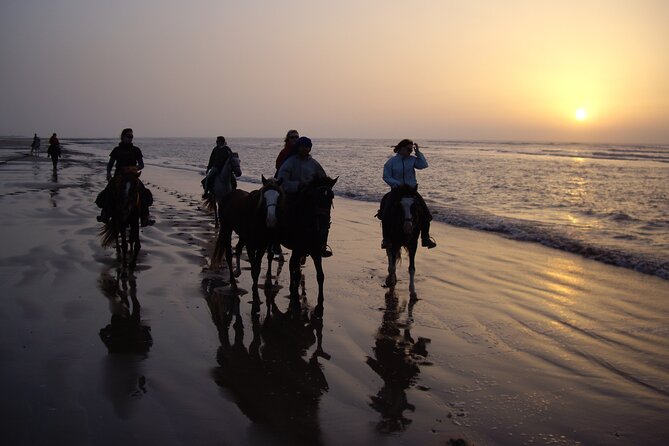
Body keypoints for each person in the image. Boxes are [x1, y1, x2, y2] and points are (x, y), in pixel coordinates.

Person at [277, 136, 333, 258]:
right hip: (293, 194)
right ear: (298, 147)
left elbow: (323, 179)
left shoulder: (314, 164)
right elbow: (282, 181)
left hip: (310, 196)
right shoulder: (290, 162)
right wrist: (298, 185)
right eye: (302, 146)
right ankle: (275, 240)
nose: (305, 149)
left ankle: (322, 245)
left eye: (307, 147)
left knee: (323, 218)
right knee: (280, 213)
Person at [379, 139, 436, 249]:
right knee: (385, 213)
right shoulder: (391, 162)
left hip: (411, 191)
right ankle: (386, 239)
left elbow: (424, 165)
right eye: (408, 149)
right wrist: (396, 183)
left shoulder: (412, 160)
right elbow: (386, 176)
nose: (410, 151)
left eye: (411, 149)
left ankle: (425, 239)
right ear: (401, 148)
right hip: (397, 191)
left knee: (426, 214)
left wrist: (418, 152)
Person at [95, 128, 154, 227]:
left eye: (132, 136)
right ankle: (105, 214)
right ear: (122, 137)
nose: (130, 138)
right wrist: (108, 173)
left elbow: (141, 165)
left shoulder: (136, 150)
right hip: (119, 176)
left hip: (132, 176)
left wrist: (133, 168)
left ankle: (145, 218)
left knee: (143, 192)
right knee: (108, 191)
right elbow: (110, 164)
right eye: (128, 136)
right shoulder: (116, 150)